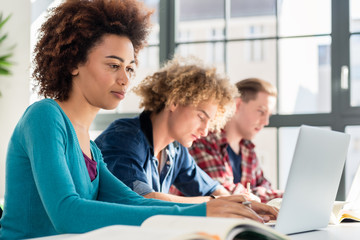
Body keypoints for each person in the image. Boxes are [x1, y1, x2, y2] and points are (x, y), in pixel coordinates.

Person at [0, 1, 277, 239]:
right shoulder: (45, 116)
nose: (125, 79)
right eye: (113, 65)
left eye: (130, 68)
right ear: (73, 62)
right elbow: (67, 212)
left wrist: (215, 209)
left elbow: (132, 201)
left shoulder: (91, 146)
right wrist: (205, 210)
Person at [95, 55, 276, 217]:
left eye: (210, 122)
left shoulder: (175, 150)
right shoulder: (124, 138)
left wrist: (245, 204)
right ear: (174, 101)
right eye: (201, 116)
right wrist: (214, 203)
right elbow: (143, 200)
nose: (205, 131)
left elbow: (213, 189)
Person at [187, 78, 283, 203]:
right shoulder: (204, 141)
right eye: (261, 111)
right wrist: (280, 196)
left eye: (268, 115)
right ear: (237, 105)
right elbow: (224, 194)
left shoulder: (247, 148)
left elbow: (264, 185)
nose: (266, 122)